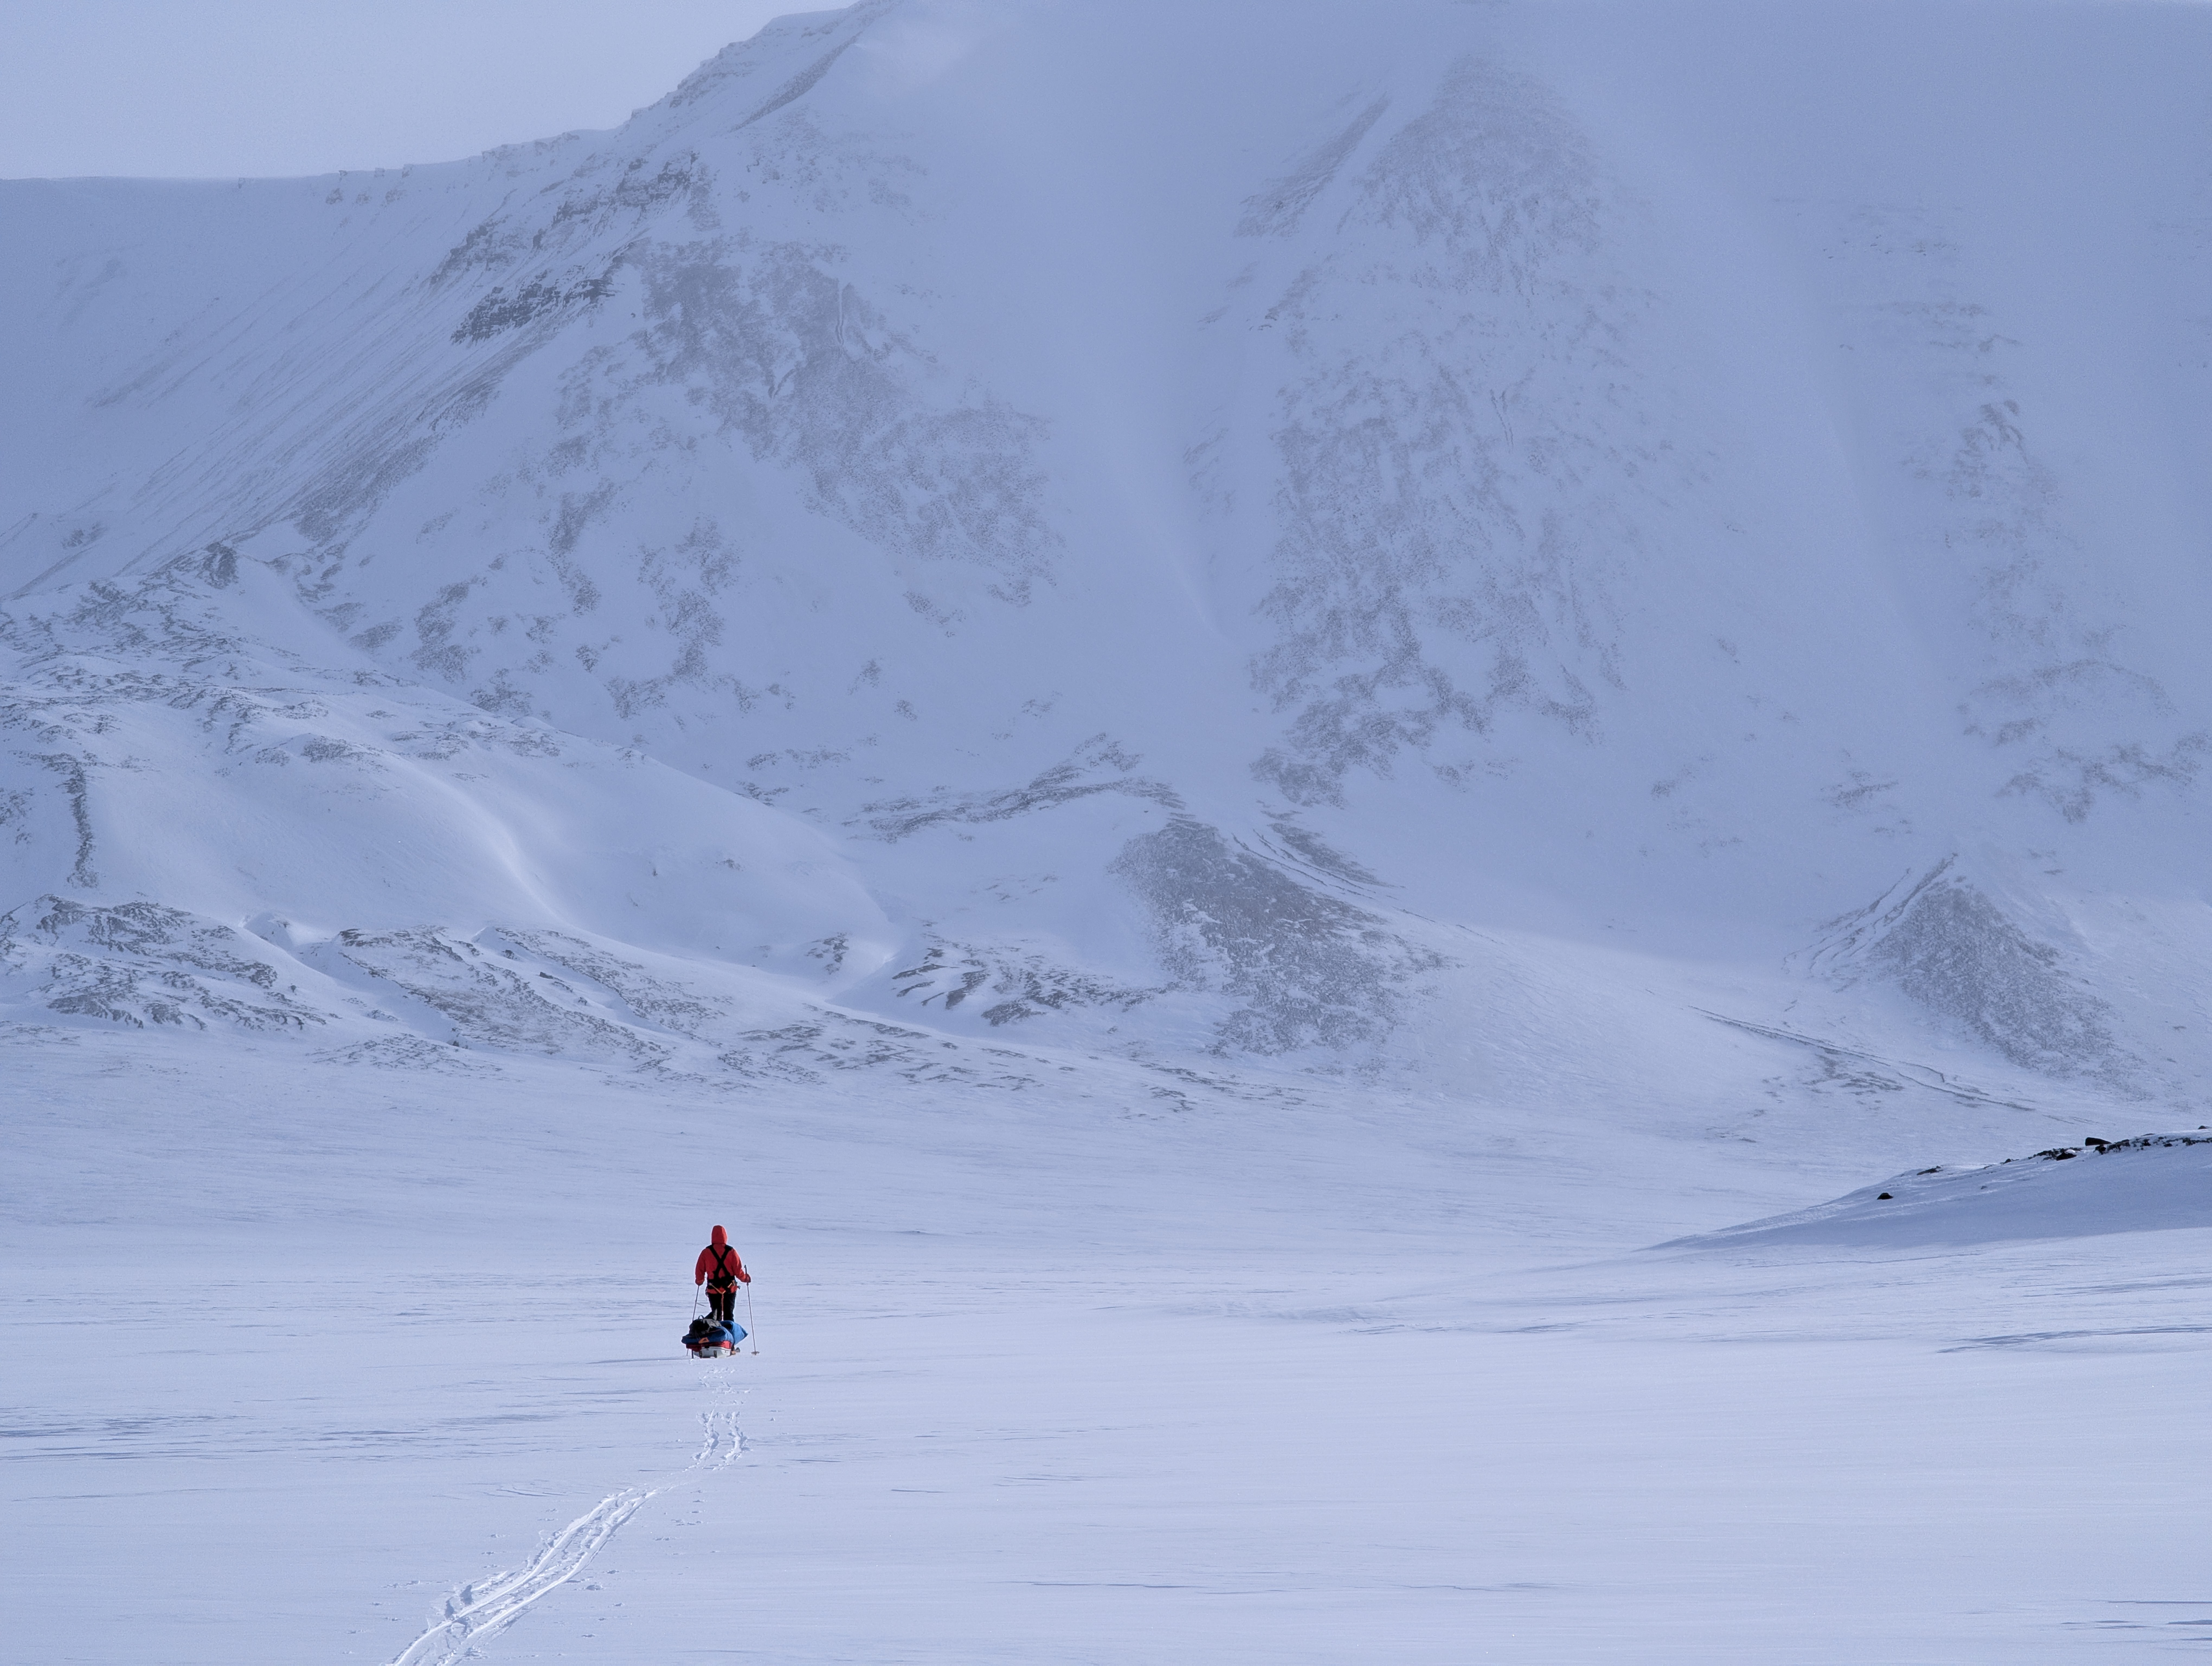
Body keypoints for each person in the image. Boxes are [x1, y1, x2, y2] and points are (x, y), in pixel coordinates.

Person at [694, 1224, 750, 1324]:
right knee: (729, 1316)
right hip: (730, 1289)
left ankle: (717, 1336)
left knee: (716, 1316)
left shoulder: (706, 1252)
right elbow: (738, 1271)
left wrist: (700, 1281)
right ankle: (729, 1337)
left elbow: (700, 1270)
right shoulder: (732, 1252)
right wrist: (746, 1279)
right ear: (725, 1236)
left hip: (713, 1290)